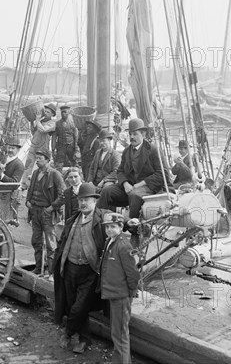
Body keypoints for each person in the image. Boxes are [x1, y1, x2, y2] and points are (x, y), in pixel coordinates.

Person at [53, 182, 105, 355]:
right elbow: (61, 243)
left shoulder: (102, 220)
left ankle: (67, 333)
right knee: (73, 305)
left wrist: (131, 223)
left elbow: (120, 225)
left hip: (89, 271)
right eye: (81, 200)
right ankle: (84, 339)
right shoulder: (72, 220)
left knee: (79, 307)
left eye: (87, 200)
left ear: (95, 202)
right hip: (69, 268)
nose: (83, 203)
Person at [97, 118, 169, 222]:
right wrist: (125, 183)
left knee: (134, 195)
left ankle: (134, 230)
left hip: (149, 188)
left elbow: (162, 173)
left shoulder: (153, 150)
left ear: (143, 134)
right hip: (129, 187)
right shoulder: (127, 151)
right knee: (107, 191)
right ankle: (101, 222)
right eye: (130, 134)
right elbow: (120, 171)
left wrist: (140, 185)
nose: (131, 137)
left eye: (135, 134)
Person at [99, 212, 140, 364]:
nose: (109, 230)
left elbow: (133, 274)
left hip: (121, 296)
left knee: (120, 335)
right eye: (107, 227)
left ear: (121, 227)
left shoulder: (123, 245)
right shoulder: (111, 241)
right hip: (114, 294)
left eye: (113, 227)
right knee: (117, 333)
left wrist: (129, 294)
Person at [25, 149, 65, 276]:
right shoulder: (36, 173)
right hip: (35, 211)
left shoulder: (55, 174)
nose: (37, 160)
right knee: (36, 241)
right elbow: (31, 189)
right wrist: (27, 201)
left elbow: (63, 195)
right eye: (36, 158)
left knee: (50, 243)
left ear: (48, 160)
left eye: (40, 158)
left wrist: (52, 207)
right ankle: (38, 267)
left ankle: (51, 272)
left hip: (47, 213)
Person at [21, 103, 57, 188]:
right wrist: (32, 122)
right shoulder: (40, 121)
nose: (46, 113)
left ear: (52, 114)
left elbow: (43, 130)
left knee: (42, 165)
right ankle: (24, 184)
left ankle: (42, 185)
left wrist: (37, 121)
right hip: (34, 145)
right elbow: (34, 132)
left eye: (48, 112)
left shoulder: (53, 123)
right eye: (45, 111)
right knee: (28, 164)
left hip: (43, 147)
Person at [52, 105, 80, 171]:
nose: (63, 114)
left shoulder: (73, 123)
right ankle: (58, 179)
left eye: (65, 112)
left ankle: (77, 177)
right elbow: (54, 136)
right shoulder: (57, 123)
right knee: (59, 164)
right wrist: (53, 149)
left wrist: (76, 148)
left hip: (71, 146)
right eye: (62, 112)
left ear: (69, 112)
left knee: (74, 163)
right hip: (61, 147)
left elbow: (76, 136)